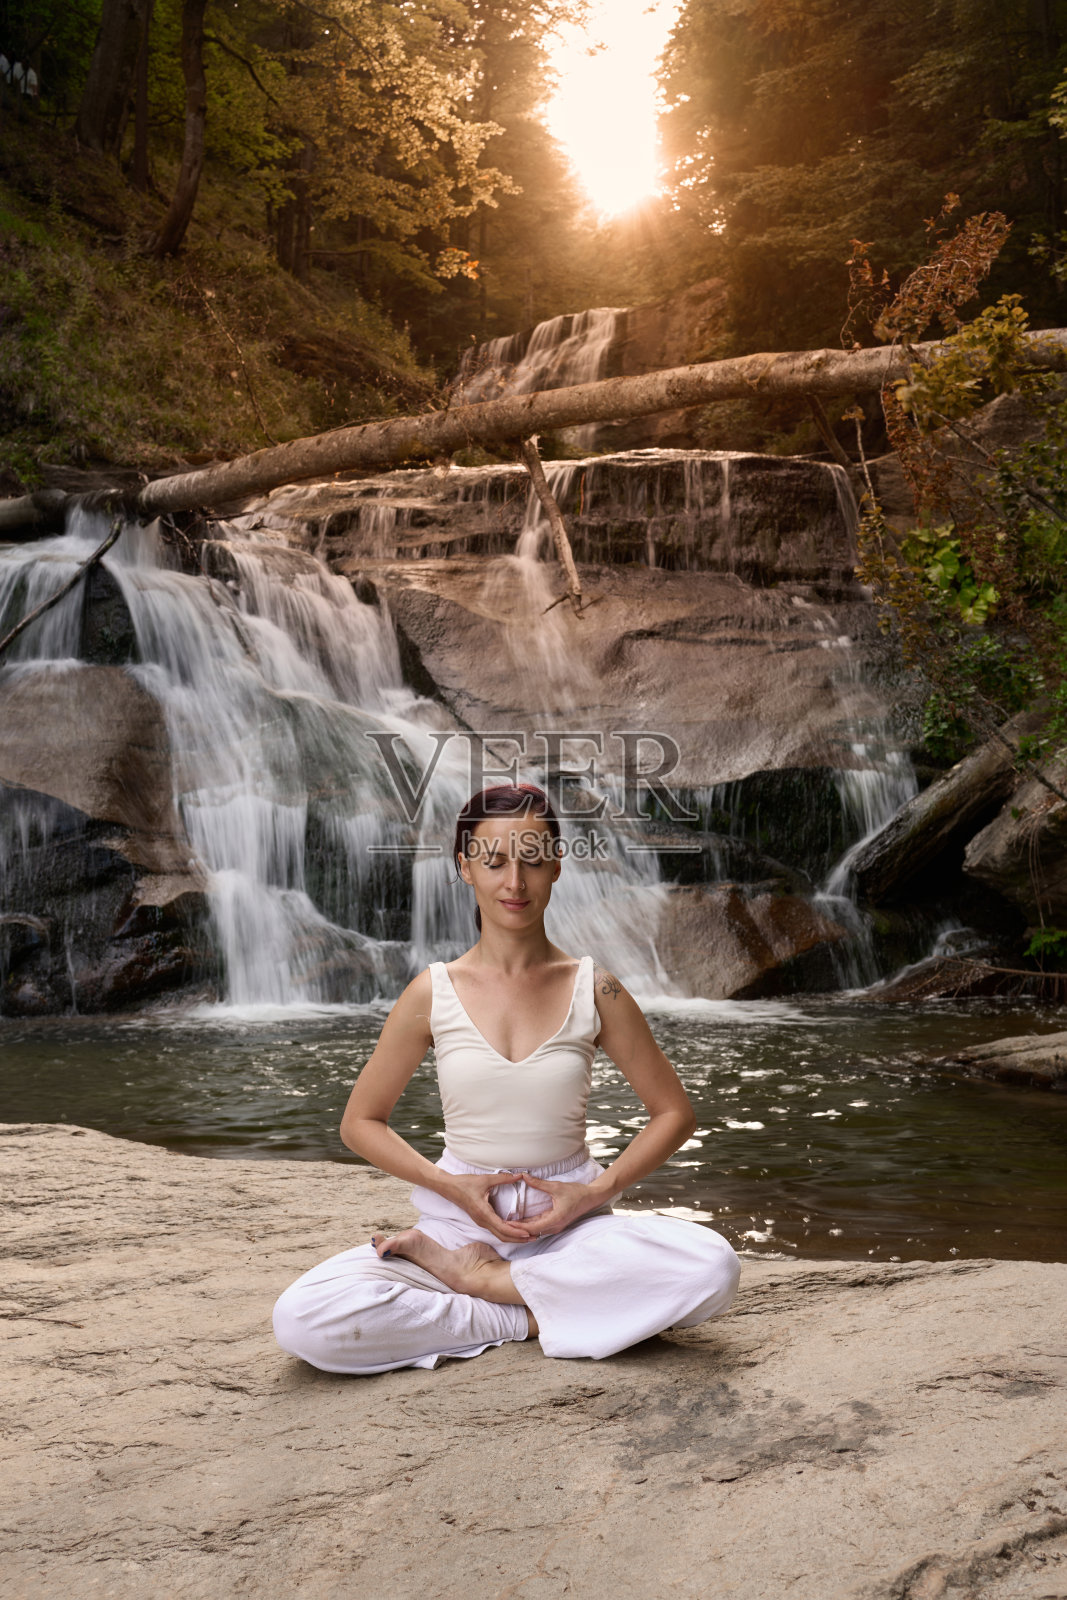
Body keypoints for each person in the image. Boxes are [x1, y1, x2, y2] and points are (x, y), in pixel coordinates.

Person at [272, 783, 740, 1373]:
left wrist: (592, 1194)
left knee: (714, 1270)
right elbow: (360, 1123)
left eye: (532, 862)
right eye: (494, 862)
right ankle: (539, 1310)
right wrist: (451, 1188)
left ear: (557, 867)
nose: (514, 883)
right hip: (456, 1222)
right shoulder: (431, 992)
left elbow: (674, 1114)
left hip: (570, 1229)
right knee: (303, 1318)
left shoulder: (596, 988)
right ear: (465, 868)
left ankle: (491, 1287)